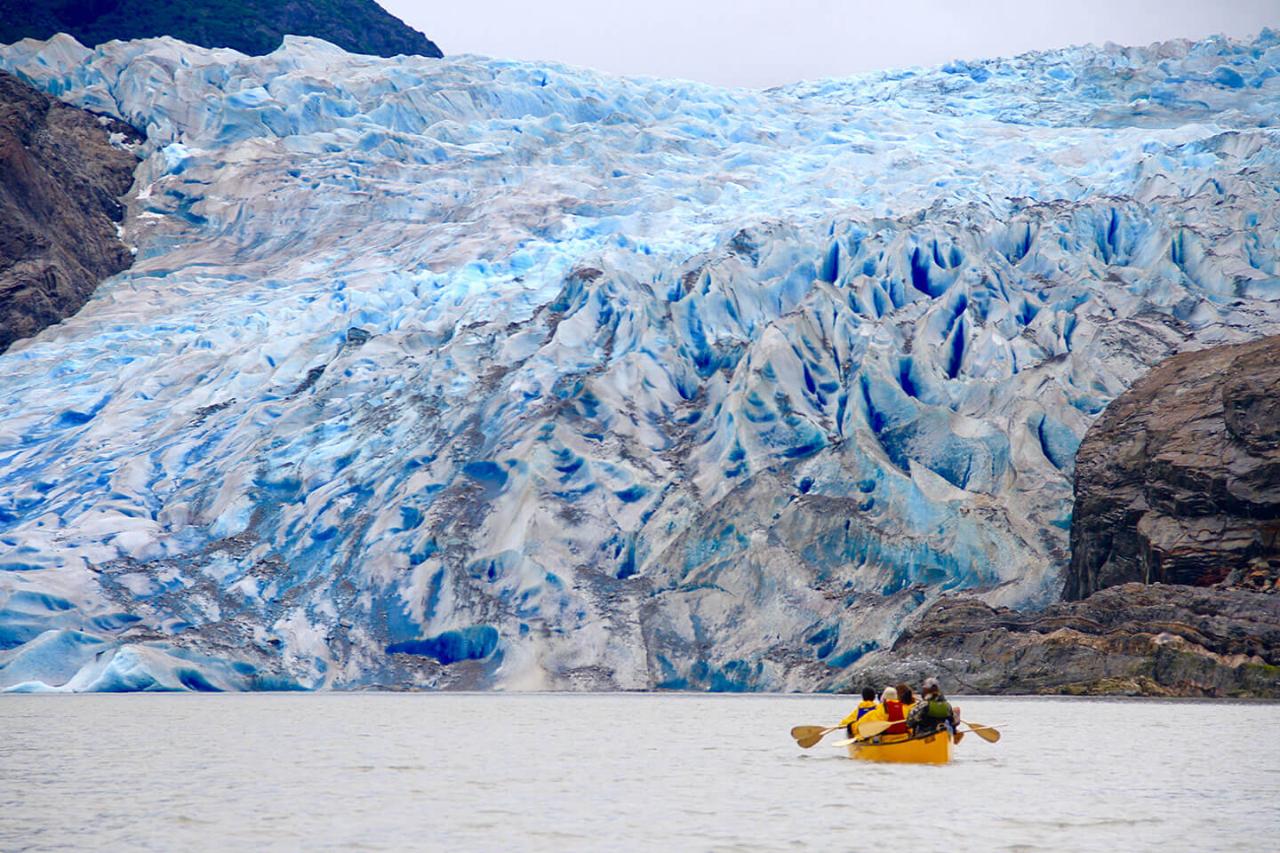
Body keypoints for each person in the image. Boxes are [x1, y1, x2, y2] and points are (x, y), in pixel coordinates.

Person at [908, 676, 963, 742]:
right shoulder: (947, 705)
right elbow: (954, 722)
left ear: (926, 690)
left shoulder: (923, 705)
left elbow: (910, 722)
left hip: (924, 736)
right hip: (943, 732)